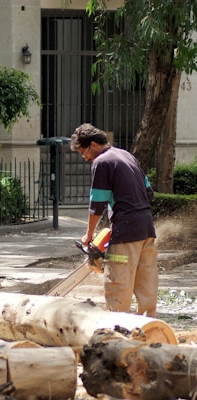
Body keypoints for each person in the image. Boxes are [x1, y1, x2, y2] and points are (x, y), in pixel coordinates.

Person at [70, 123, 158, 317]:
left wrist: (89, 235)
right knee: (146, 280)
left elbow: (97, 204)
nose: (84, 157)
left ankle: (117, 328)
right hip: (146, 227)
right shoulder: (126, 155)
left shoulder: (102, 162)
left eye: (83, 152)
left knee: (118, 280)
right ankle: (149, 324)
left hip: (126, 230)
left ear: (93, 144)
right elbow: (149, 192)